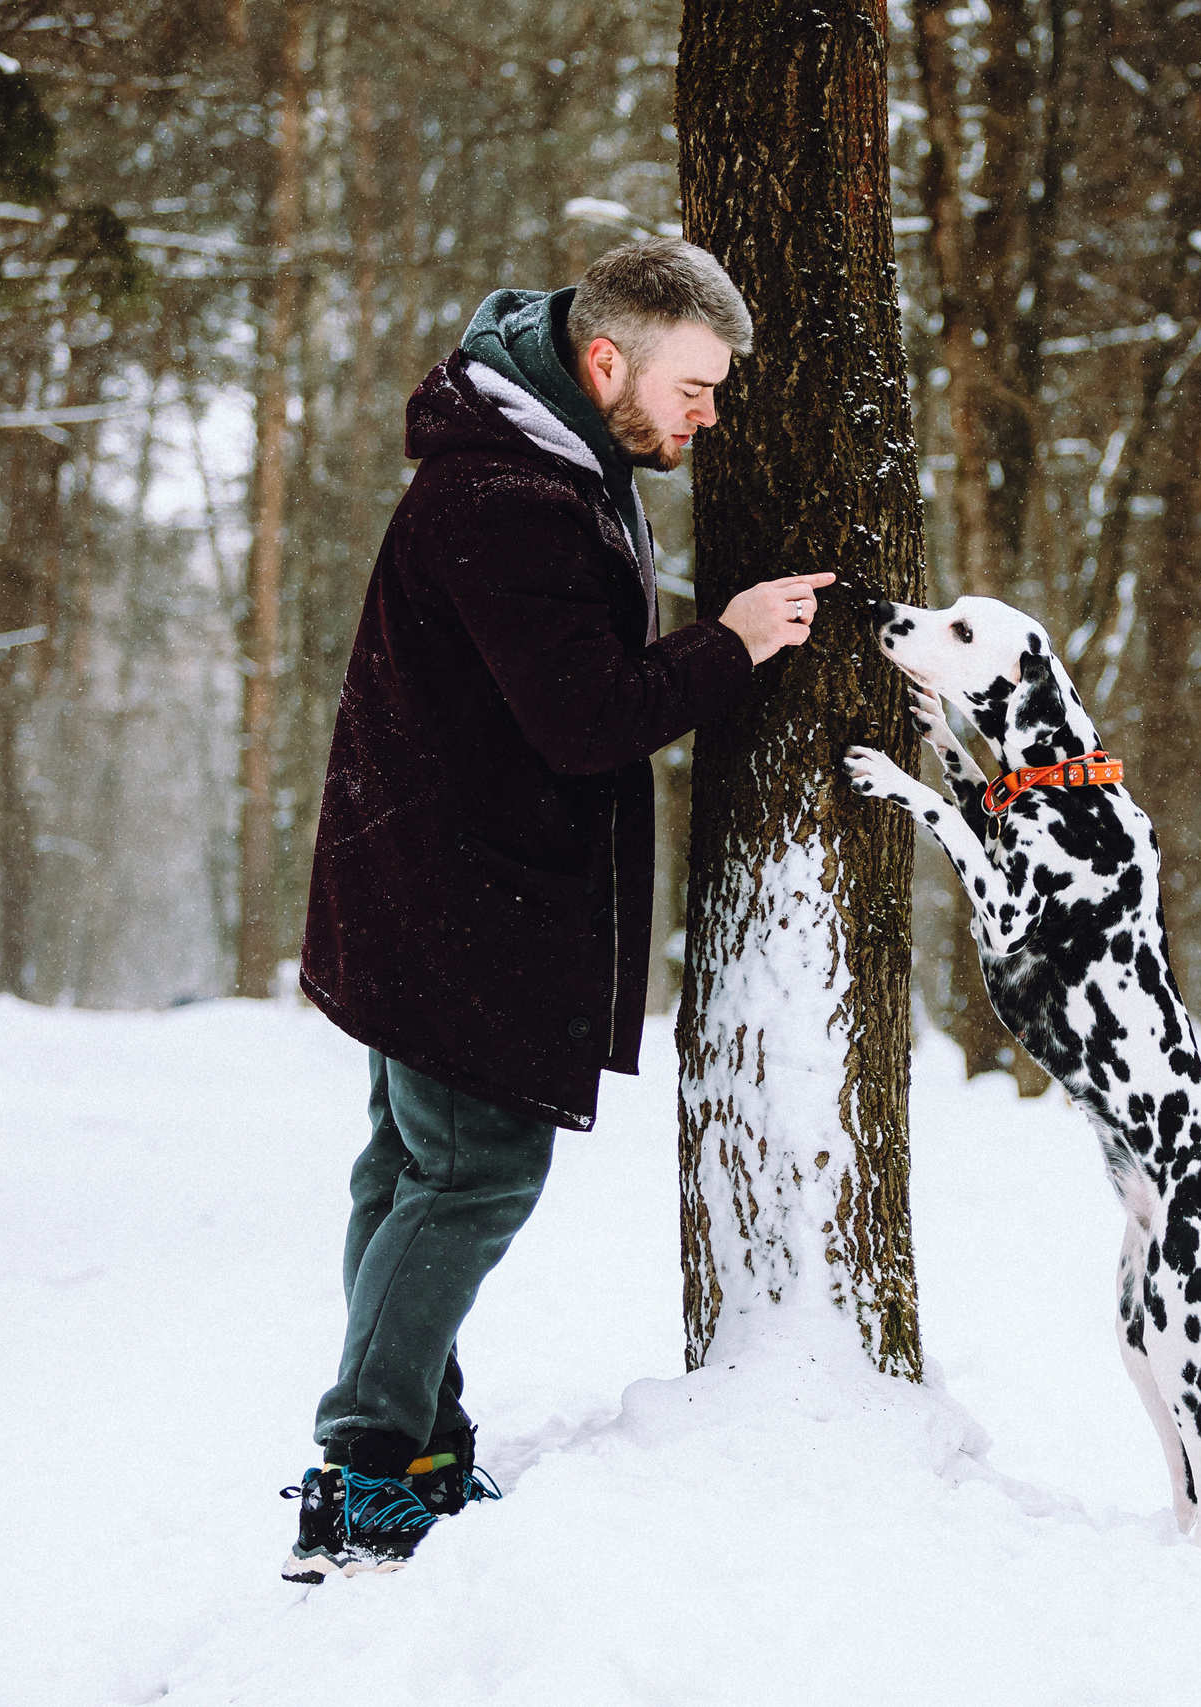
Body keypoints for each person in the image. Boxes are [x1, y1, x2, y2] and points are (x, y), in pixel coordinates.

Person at [281, 237, 831, 1581]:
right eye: (696, 389)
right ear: (605, 362)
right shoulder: (508, 496)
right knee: (469, 1176)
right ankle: (359, 1472)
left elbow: (551, 661)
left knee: (411, 1172)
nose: (710, 416)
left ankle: (412, 1442)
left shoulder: (544, 462)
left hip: (431, 872)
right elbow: (586, 716)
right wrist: (737, 641)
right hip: (456, 894)